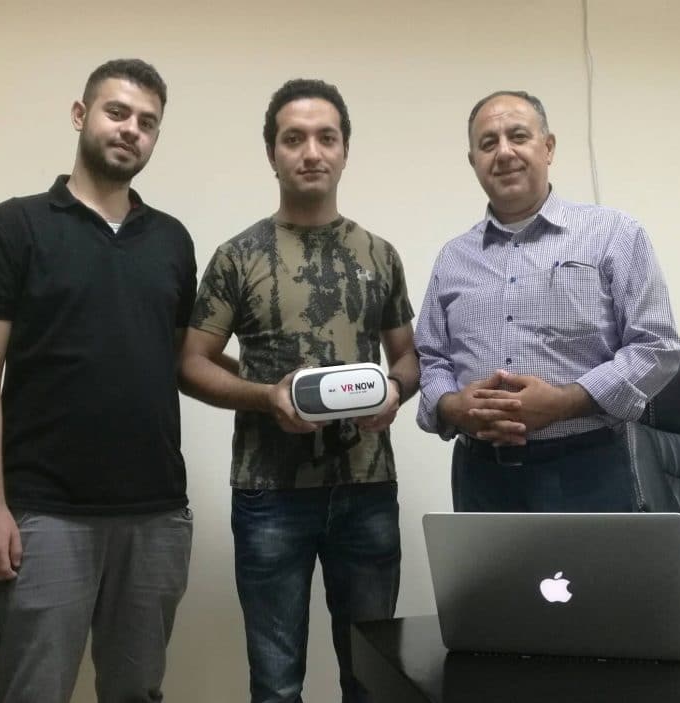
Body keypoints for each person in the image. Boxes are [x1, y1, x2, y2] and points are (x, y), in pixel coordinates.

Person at [0, 59, 195, 703]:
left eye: (148, 122)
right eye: (118, 112)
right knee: (34, 691)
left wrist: (274, 390)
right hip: (44, 514)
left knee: (137, 692)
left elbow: (179, 361)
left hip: (155, 514)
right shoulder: (11, 228)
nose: (131, 129)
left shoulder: (172, 241)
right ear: (80, 115)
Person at [179, 78, 419, 703]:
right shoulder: (238, 257)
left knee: (372, 677)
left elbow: (408, 357)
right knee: (277, 684)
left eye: (325, 138)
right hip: (269, 493)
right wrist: (265, 397)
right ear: (272, 153)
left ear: (344, 151)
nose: (311, 152)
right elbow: (191, 363)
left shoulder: (380, 254)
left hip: (367, 489)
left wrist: (395, 391)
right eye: (294, 139)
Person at [415, 90, 680, 513]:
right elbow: (431, 359)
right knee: (485, 564)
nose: (504, 152)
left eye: (518, 136)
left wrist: (565, 401)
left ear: (549, 147)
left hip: (588, 470)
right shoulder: (453, 257)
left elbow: (656, 346)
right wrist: (450, 405)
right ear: (473, 161)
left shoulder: (613, 234)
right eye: (488, 143)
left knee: (594, 564)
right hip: (480, 475)